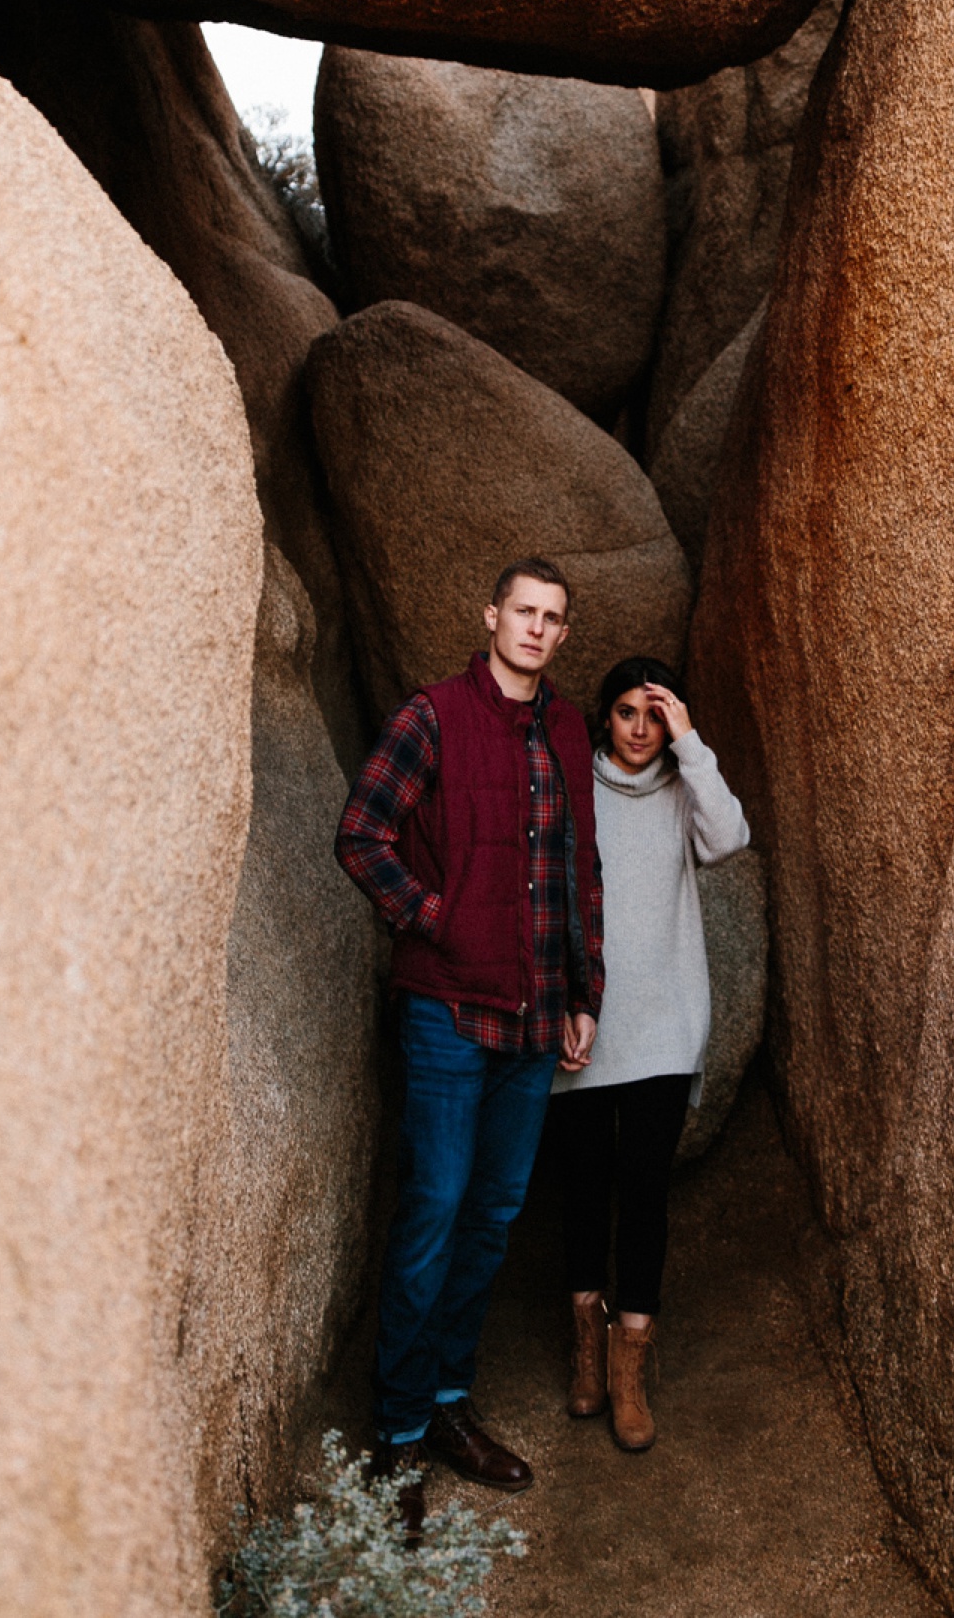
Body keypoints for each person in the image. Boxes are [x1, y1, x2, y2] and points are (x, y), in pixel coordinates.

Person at [335, 557, 603, 1538]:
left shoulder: (567, 729)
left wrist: (583, 993)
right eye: (523, 611)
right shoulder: (434, 716)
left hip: (534, 1022)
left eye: (553, 618)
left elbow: (580, 869)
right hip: (449, 1009)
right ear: (492, 616)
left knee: (491, 1217)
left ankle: (449, 1407)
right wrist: (433, 915)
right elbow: (364, 834)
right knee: (434, 1213)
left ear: (564, 635)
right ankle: (397, 1436)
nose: (536, 628)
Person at [549, 656, 748, 1452]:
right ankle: (588, 1354)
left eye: (654, 715)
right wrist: (566, 999)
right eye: (627, 712)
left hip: (665, 1025)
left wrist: (693, 744)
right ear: (605, 718)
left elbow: (728, 839)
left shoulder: (681, 788)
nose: (640, 728)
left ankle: (631, 1367)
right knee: (582, 1190)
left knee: (645, 1192)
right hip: (586, 1027)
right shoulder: (574, 787)